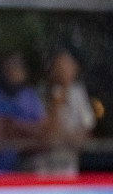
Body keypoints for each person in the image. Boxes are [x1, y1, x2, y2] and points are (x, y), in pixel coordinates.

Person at [30, 47, 96, 176]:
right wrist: (56, 105)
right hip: (42, 167)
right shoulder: (39, 93)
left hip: (68, 165)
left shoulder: (78, 92)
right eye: (60, 65)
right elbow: (47, 136)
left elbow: (87, 132)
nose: (64, 70)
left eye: (69, 65)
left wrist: (67, 137)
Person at [0, 51, 46, 173]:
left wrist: (15, 125)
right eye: (8, 66)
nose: (12, 70)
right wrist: (25, 130)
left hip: (28, 164)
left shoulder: (30, 95)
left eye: (16, 66)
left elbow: (42, 133)